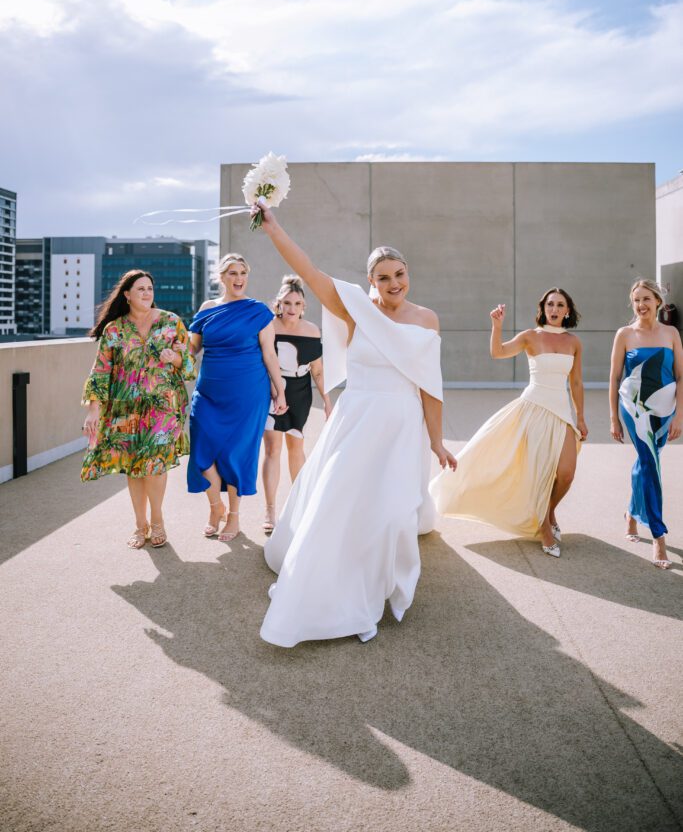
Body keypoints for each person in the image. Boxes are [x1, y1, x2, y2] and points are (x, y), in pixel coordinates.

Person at [252, 202, 457, 647]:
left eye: (399, 273)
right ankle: (323, 591)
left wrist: (437, 442)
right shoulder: (355, 309)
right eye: (383, 276)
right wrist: (274, 228)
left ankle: (371, 586)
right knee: (337, 503)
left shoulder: (427, 320)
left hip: (402, 425)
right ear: (370, 281)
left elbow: (431, 388)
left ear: (409, 274)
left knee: (388, 512)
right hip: (356, 419)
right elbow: (309, 271)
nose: (393, 283)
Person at [430, 288, 588, 558]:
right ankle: (543, 529)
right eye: (550, 304)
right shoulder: (530, 336)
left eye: (560, 305)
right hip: (534, 408)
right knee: (539, 473)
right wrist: (497, 325)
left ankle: (549, 511)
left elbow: (575, 382)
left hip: (561, 412)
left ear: (567, 311)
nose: (554, 308)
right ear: (543, 308)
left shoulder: (573, 341)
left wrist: (580, 416)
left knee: (566, 473)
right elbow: (498, 352)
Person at [81, 270, 196, 549]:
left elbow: (191, 366)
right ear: (127, 295)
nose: (147, 293)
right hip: (125, 407)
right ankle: (139, 524)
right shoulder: (114, 330)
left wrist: (176, 359)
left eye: (150, 288)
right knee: (135, 466)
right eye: (140, 289)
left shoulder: (171, 323)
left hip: (163, 406)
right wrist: (93, 410)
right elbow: (101, 371)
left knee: (155, 464)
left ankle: (157, 522)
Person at [187, 253, 287, 543]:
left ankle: (233, 516)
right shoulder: (207, 309)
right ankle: (216, 508)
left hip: (248, 393)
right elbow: (192, 350)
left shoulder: (258, 311)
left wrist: (279, 391)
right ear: (221, 277)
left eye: (243, 272)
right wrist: (172, 357)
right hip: (209, 393)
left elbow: (270, 354)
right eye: (232, 273)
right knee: (202, 451)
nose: (239, 278)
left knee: (236, 454)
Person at [609, 279, 682, 570]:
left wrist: (679, 415)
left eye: (646, 299)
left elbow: (680, 376)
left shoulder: (671, 333)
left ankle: (630, 512)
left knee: (645, 462)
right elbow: (615, 378)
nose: (641, 305)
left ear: (658, 302)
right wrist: (614, 417)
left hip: (665, 408)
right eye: (636, 300)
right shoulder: (624, 334)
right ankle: (658, 535)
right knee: (651, 464)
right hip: (634, 408)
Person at [261, 274, 332, 534]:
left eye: (297, 304)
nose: (292, 309)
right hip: (271, 390)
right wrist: (276, 392)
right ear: (278, 304)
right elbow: (264, 363)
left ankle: (298, 504)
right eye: (287, 303)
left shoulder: (312, 330)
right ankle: (270, 509)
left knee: (296, 446)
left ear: (303, 306)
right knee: (272, 449)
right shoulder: (268, 326)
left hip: (301, 393)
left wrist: (327, 400)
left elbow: (318, 371)